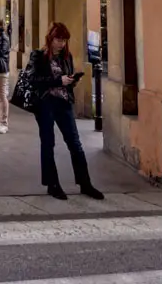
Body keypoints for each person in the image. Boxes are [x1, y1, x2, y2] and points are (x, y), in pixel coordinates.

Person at [28, 22, 104, 201]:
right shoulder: (38, 56)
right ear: (51, 39)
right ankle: (52, 184)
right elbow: (33, 79)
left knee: (75, 143)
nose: (61, 43)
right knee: (48, 143)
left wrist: (71, 80)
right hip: (46, 103)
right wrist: (57, 80)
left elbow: (65, 79)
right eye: (58, 39)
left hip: (64, 103)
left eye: (64, 40)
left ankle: (85, 183)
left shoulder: (66, 56)